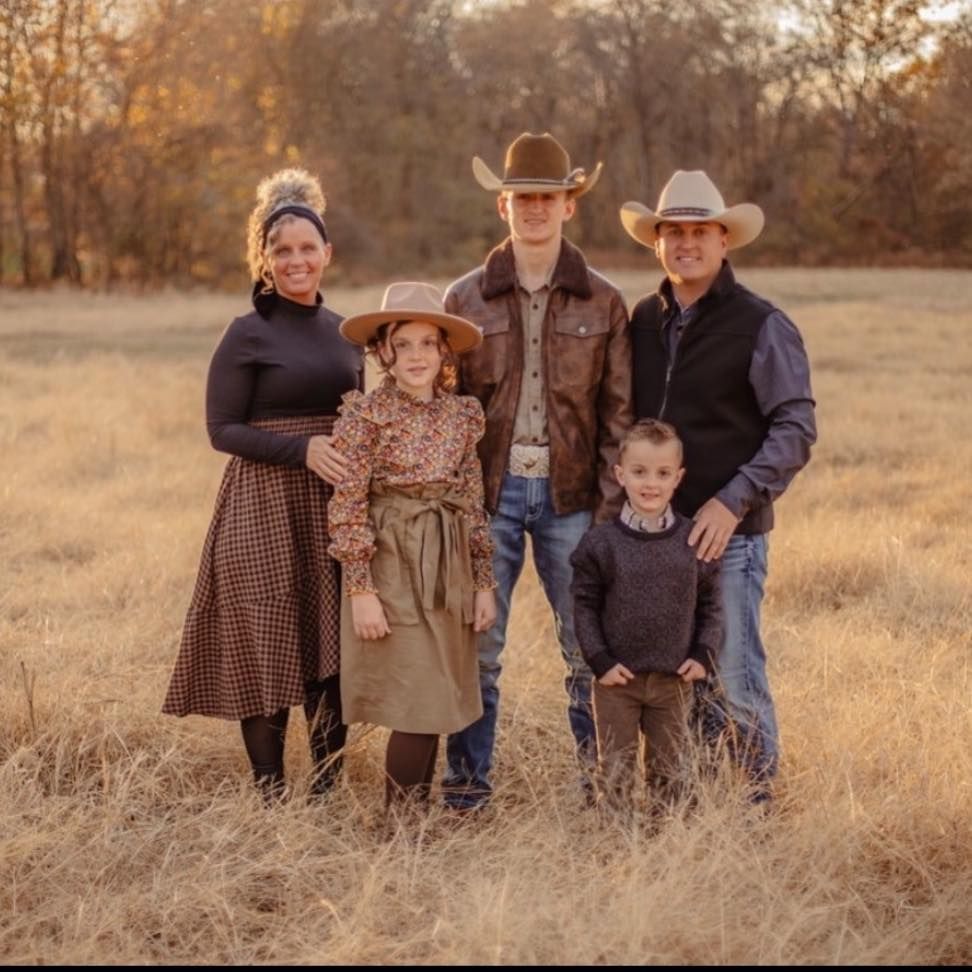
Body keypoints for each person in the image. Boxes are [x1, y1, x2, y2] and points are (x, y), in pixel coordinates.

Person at [442, 132, 633, 810]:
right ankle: (466, 791)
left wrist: (610, 517)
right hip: (487, 497)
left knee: (587, 650)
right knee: (477, 650)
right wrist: (458, 510)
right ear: (503, 205)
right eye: (522, 197)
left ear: (568, 206)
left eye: (546, 198)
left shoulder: (604, 302)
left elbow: (619, 418)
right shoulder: (462, 300)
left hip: (572, 496)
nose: (534, 209)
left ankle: (602, 790)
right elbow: (445, 414)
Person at [163, 169, 362, 802]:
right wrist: (301, 448)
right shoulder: (246, 332)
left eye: (308, 248)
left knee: (330, 649)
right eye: (283, 250)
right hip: (261, 504)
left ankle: (327, 795)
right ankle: (271, 798)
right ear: (264, 258)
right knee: (267, 644)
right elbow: (221, 429)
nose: (296, 260)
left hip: (331, 508)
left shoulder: (346, 331)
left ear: (327, 254)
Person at [620, 170, 817, 801]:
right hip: (660, 539)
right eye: (672, 231)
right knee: (684, 676)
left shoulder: (761, 323)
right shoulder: (643, 321)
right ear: (657, 242)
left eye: (699, 230)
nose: (686, 243)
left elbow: (795, 428)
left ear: (724, 239)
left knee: (733, 670)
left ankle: (756, 804)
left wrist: (734, 501)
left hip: (730, 537)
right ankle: (702, 801)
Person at [326, 282, 497, 813]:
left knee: (436, 696)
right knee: (414, 696)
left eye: (428, 343)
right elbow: (348, 502)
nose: (417, 356)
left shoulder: (461, 415)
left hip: (446, 563)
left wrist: (483, 581)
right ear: (384, 352)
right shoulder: (366, 416)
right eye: (404, 345)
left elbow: (471, 497)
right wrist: (361, 589)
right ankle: (398, 826)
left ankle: (417, 818)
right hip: (392, 560)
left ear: (444, 350)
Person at [570, 419, 722, 812]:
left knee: (669, 772)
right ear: (620, 475)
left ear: (678, 478)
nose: (650, 483)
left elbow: (711, 604)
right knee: (617, 772)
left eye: (662, 473)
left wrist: (704, 654)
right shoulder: (600, 544)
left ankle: (662, 849)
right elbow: (583, 606)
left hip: (673, 681)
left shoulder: (692, 541)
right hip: (616, 681)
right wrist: (599, 660)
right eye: (639, 472)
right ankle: (617, 849)